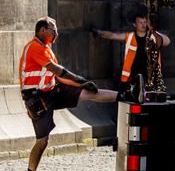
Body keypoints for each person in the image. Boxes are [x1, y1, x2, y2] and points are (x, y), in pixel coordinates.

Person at [20, 17, 118, 171]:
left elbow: (59, 78)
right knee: (42, 140)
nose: (56, 33)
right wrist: (81, 80)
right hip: (36, 97)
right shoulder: (34, 47)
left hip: (52, 90)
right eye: (54, 30)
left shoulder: (47, 50)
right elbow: (58, 71)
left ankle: (124, 95)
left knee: (88, 93)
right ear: (42, 30)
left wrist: (82, 85)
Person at [92, 7, 171, 95]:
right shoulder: (130, 37)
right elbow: (113, 36)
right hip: (132, 77)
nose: (143, 25)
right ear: (135, 24)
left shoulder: (153, 37)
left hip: (150, 77)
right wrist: (98, 32)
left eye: (145, 22)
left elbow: (167, 41)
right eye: (140, 22)